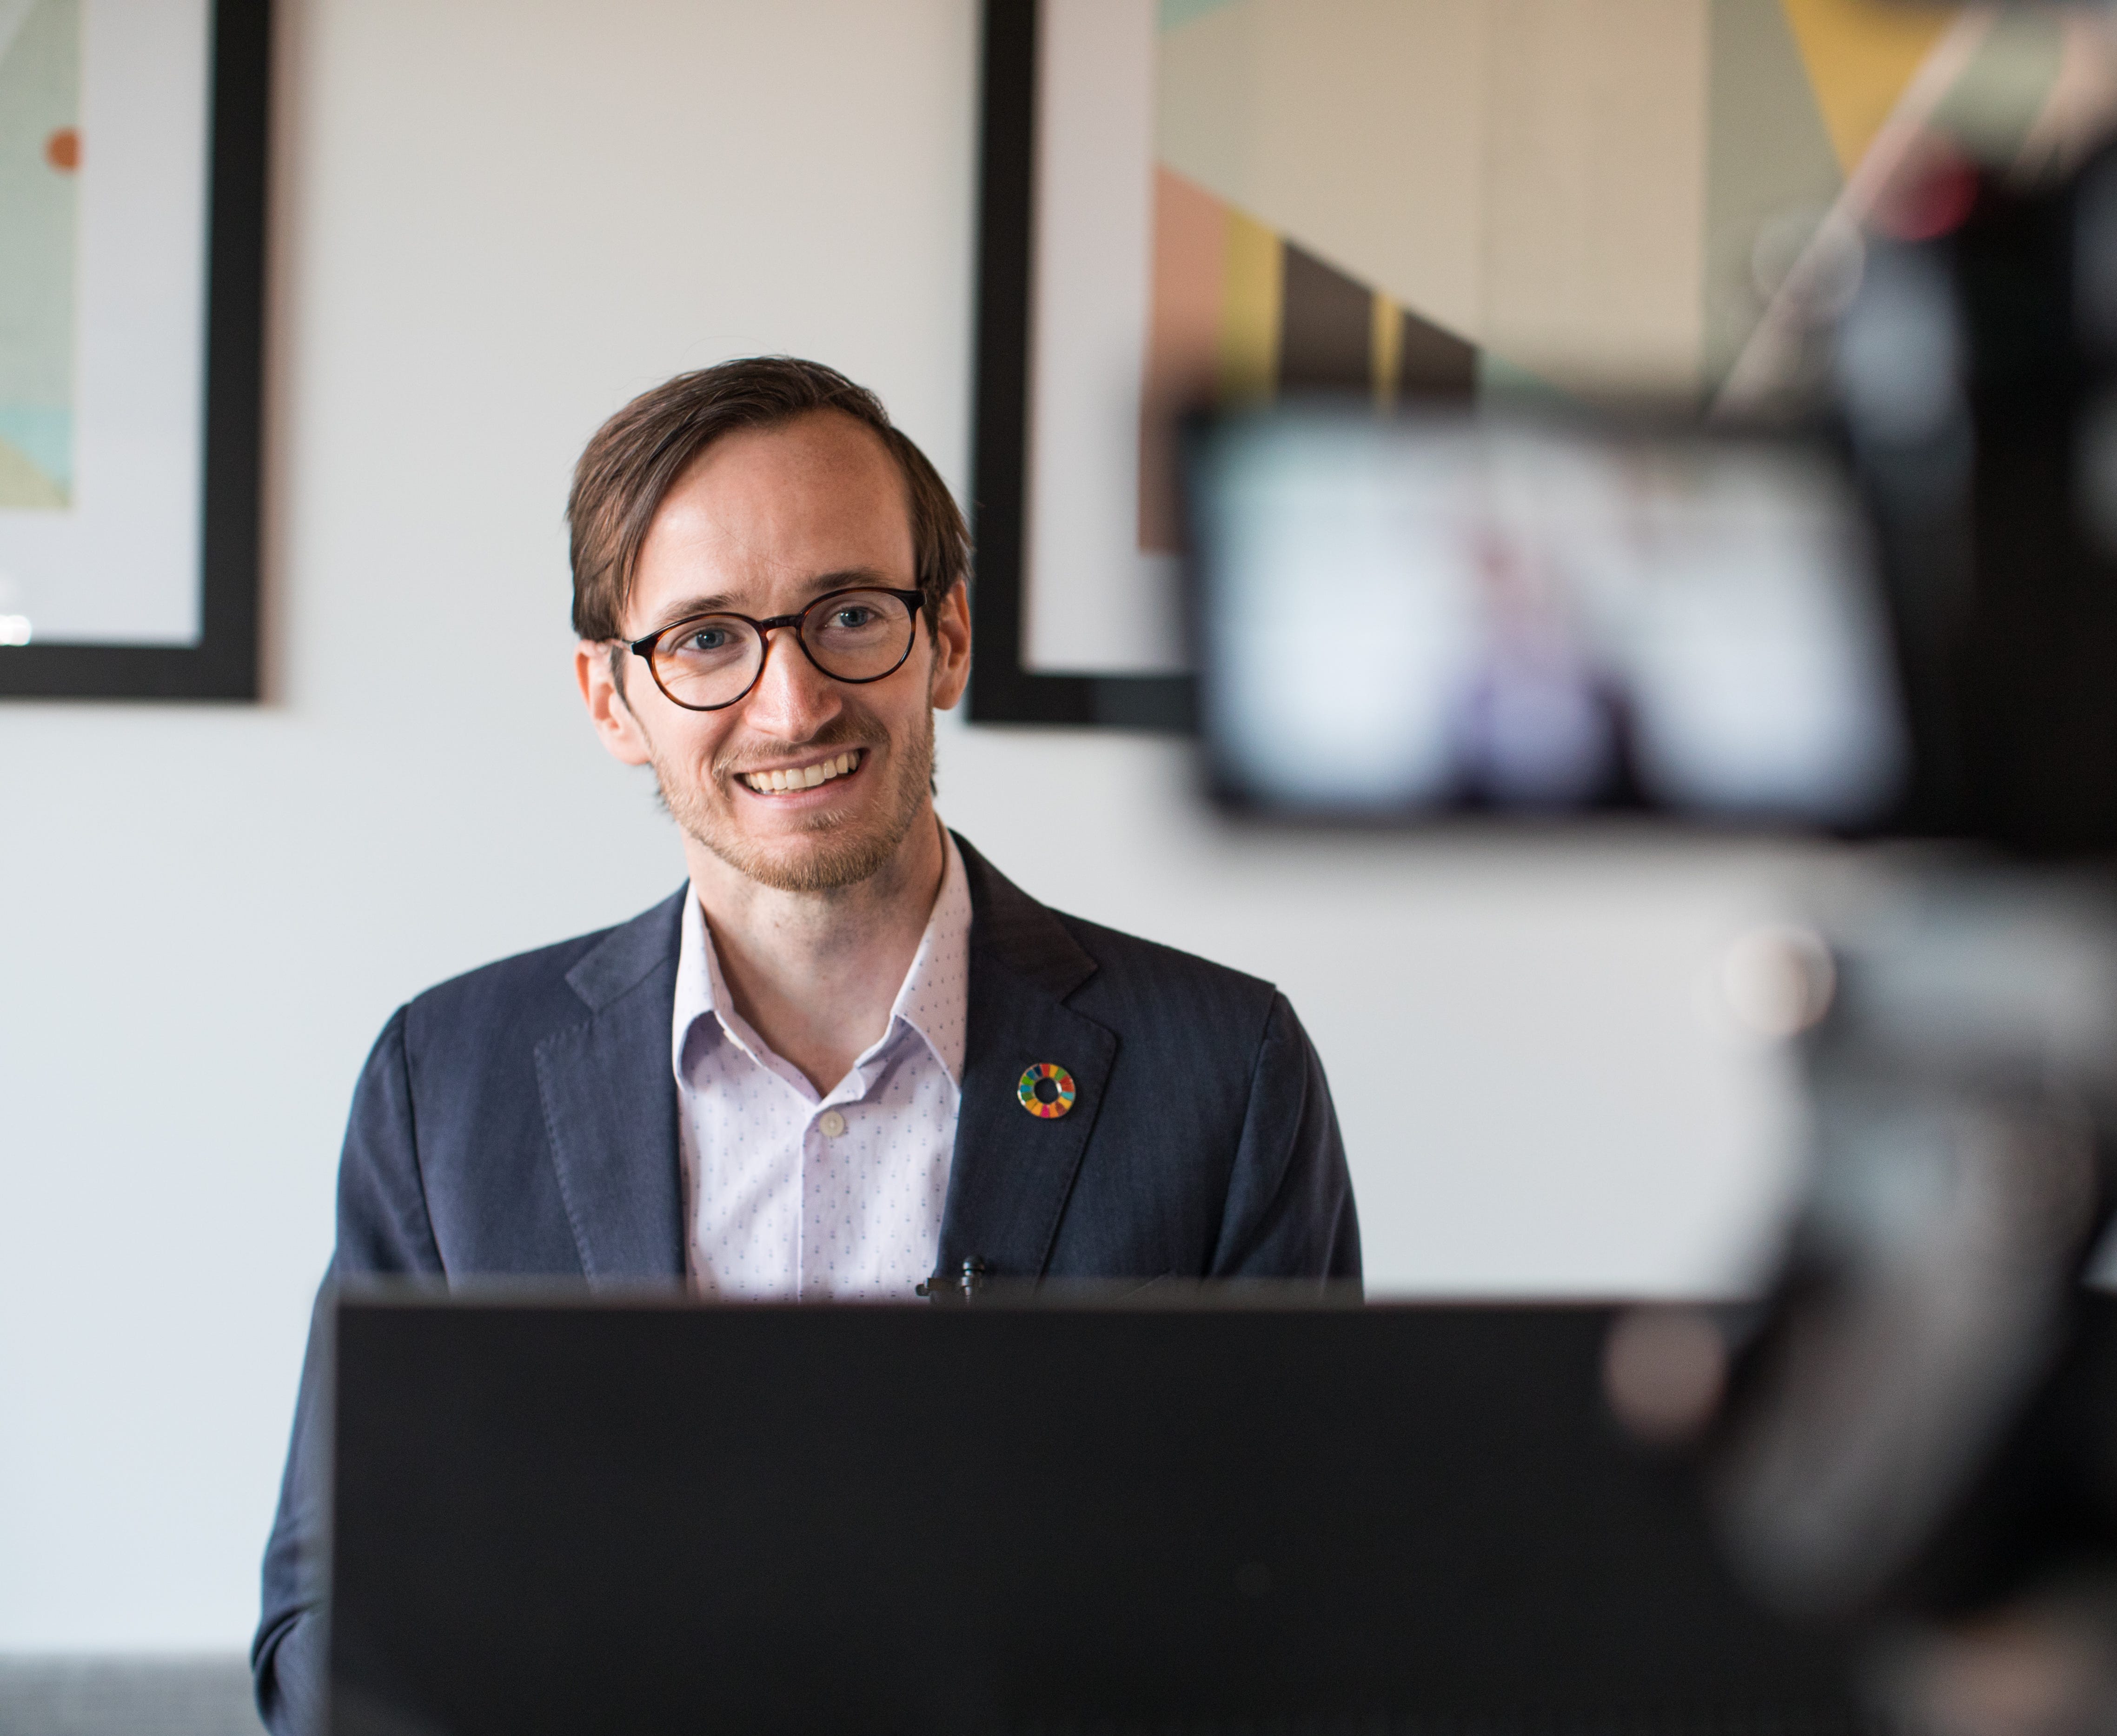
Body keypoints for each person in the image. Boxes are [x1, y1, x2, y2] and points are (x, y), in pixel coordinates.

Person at [251, 356, 1360, 1731]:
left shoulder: (1228, 1071)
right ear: (612, 699)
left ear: (948, 638)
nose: (792, 706)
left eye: (850, 615)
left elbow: (1312, 1612)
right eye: (707, 638)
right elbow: (322, 1633)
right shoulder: (445, 1084)